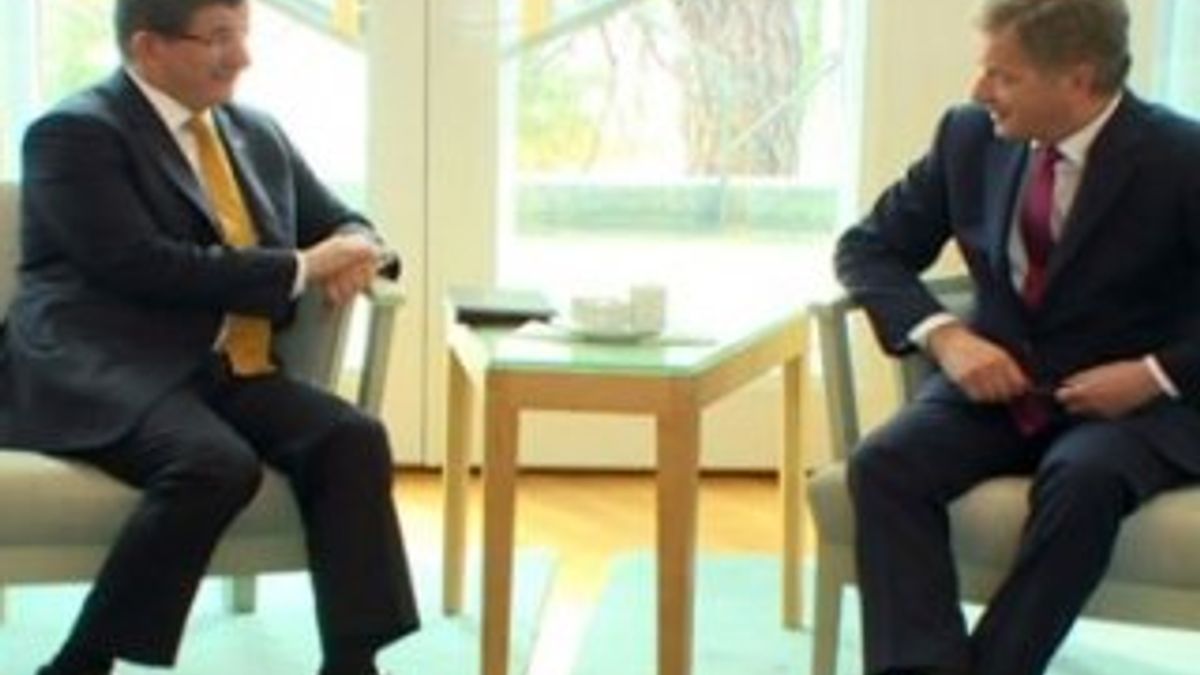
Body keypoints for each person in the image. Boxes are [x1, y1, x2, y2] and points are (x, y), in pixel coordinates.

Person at [0, 0, 419, 673]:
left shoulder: (254, 132)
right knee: (214, 463)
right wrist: (302, 266)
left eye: (244, 34)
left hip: (228, 366)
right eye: (219, 38)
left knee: (352, 437)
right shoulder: (73, 134)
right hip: (106, 363)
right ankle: (80, 663)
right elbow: (139, 264)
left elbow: (340, 219)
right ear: (149, 47)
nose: (243, 57)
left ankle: (352, 662)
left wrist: (359, 246)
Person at [834, 0, 1200, 674]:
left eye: (1004, 76)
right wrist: (948, 337)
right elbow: (867, 249)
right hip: (996, 387)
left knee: (1082, 483)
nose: (980, 91)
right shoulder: (967, 136)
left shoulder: (1183, 157)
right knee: (884, 463)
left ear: (1079, 79)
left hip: (1136, 409)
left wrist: (1152, 373)